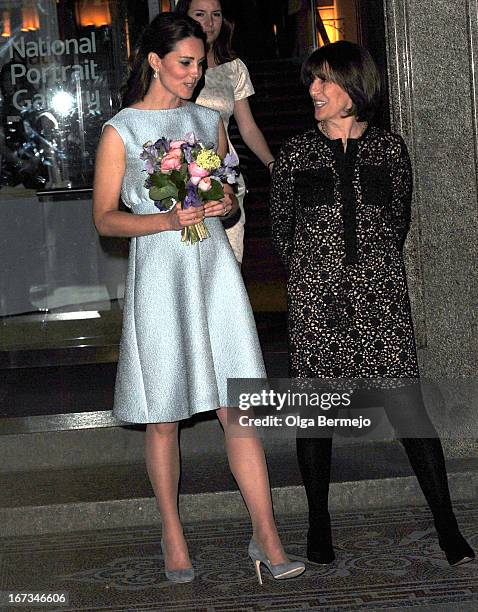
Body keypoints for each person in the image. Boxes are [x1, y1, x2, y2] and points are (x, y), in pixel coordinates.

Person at [93, 13, 304, 584]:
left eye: (200, 63)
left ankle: (267, 534)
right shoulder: (122, 131)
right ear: (155, 61)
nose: (194, 73)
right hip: (160, 277)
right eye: (184, 63)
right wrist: (163, 220)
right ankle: (172, 533)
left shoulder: (208, 121)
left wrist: (225, 205)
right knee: (163, 415)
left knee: (238, 408)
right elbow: (107, 221)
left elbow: (228, 197)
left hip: (214, 273)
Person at [270, 40, 475, 568]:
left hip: (381, 301)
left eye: (324, 80)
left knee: (410, 412)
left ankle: (448, 526)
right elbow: (282, 233)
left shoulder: (389, 149)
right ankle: (319, 524)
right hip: (316, 303)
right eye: (311, 80)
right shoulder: (295, 155)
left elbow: (398, 221)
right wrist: (319, 276)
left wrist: (368, 273)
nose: (313, 90)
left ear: (354, 87)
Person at [174, 0, 276, 264]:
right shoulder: (172, 65)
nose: (209, 23)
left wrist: (272, 163)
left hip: (223, 174)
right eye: (200, 14)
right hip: (177, 173)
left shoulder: (233, 67)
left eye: (216, 15)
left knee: (229, 266)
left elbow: (247, 126)